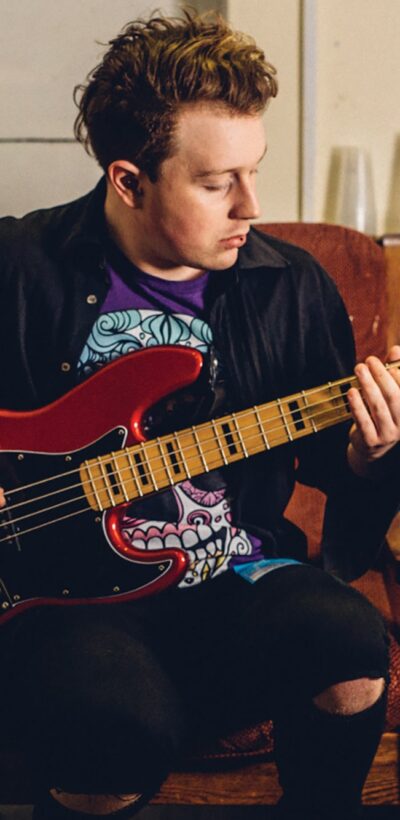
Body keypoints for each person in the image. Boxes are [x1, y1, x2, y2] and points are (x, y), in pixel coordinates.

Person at [0, 10, 399, 820]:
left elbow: (335, 470)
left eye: (252, 170)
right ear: (129, 179)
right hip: (60, 598)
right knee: (111, 725)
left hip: (237, 577)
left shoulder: (293, 286)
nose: (252, 203)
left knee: (352, 643)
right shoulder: (19, 267)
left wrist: (369, 453)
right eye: (218, 183)